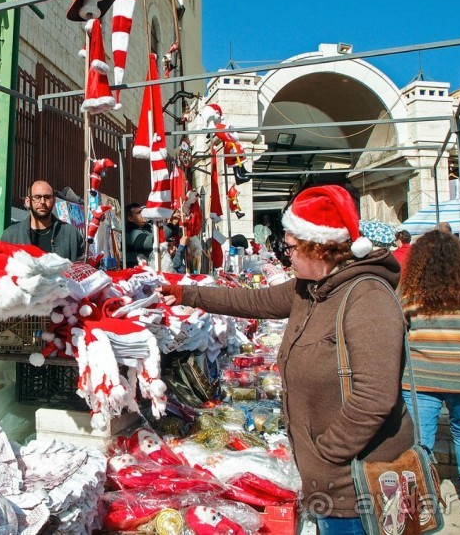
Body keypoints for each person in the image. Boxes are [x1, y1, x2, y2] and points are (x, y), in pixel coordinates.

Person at [161, 185, 414, 534]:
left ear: (319, 247)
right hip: (326, 480)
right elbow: (253, 302)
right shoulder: (309, 289)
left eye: (293, 248)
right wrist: (186, 293)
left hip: (357, 483)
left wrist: (326, 453)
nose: (287, 255)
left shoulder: (367, 298)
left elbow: (375, 398)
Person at [399, 229, 460, 523]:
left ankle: (427, 498)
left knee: (421, 439)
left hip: (421, 377)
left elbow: (400, 335)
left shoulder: (410, 294)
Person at [1, 180, 85, 262]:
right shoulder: (11, 236)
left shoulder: (71, 234)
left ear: (54, 201)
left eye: (47, 197)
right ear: (28, 202)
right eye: (37, 197)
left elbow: (82, 270)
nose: (42, 202)